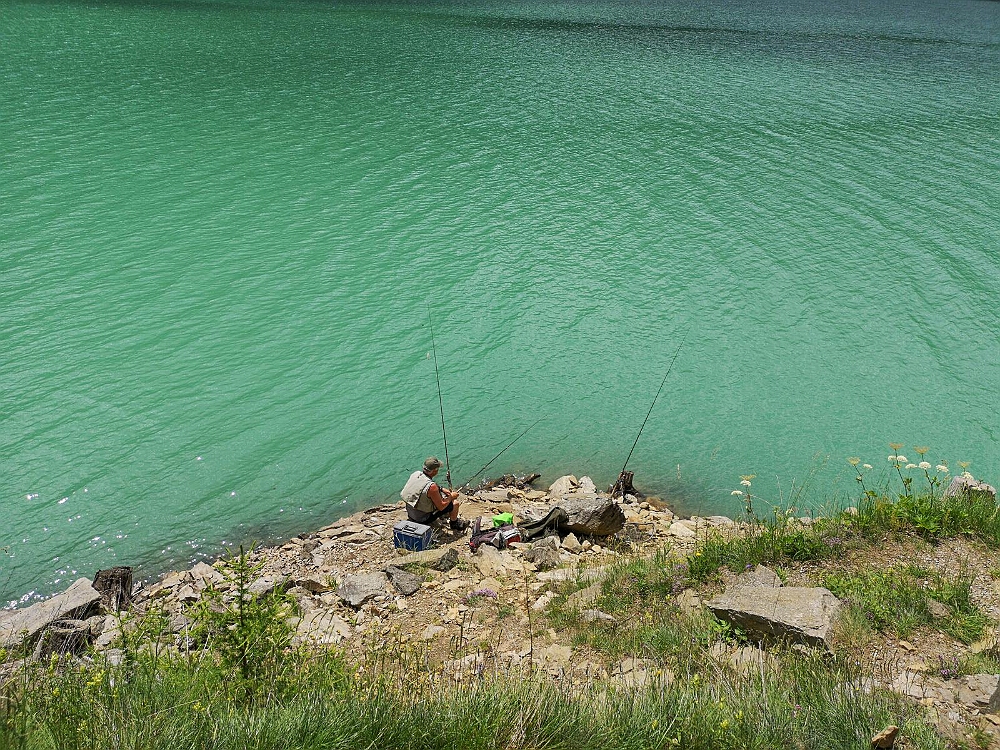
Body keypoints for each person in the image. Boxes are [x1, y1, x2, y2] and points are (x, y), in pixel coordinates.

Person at [401, 457, 470, 532]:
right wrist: (451, 497)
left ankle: (444, 515)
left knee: (440, 498)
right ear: (435, 471)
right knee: (454, 503)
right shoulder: (432, 487)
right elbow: (441, 507)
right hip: (422, 519)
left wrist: (441, 489)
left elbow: (424, 485)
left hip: (411, 513)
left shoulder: (416, 474)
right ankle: (455, 524)